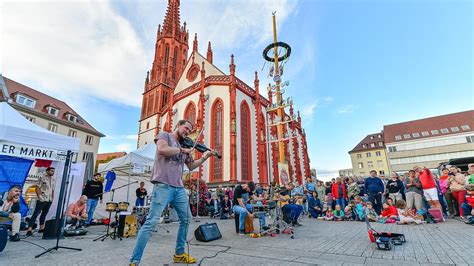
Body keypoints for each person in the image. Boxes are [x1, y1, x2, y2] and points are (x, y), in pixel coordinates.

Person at [129, 120, 217, 265]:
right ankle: (135, 260)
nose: (187, 132)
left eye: (190, 130)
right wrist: (182, 150)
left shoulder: (185, 145)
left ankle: (179, 253)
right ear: (178, 125)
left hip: (179, 188)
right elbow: (162, 150)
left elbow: (191, 166)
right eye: (186, 128)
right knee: (151, 222)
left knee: (187, 219)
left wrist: (204, 157)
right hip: (163, 185)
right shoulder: (165, 136)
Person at [27, 167, 55, 236]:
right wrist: (40, 197)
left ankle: (41, 228)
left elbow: (52, 190)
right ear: (47, 171)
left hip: (49, 199)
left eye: (53, 171)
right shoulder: (42, 177)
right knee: (36, 213)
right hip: (42, 198)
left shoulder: (53, 180)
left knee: (44, 214)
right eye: (51, 171)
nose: (53, 172)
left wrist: (52, 198)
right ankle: (29, 229)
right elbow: (37, 188)